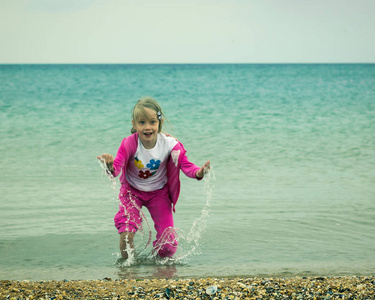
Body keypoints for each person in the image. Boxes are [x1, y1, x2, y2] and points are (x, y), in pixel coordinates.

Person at [98, 97, 210, 259]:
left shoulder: (170, 145)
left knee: (168, 244)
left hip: (159, 194)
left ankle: (160, 269)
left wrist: (198, 173)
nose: (147, 127)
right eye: (142, 122)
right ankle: (127, 269)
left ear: (160, 123)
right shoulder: (129, 144)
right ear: (134, 124)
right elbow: (116, 169)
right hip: (131, 193)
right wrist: (109, 166)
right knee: (126, 233)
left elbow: (186, 165)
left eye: (152, 122)